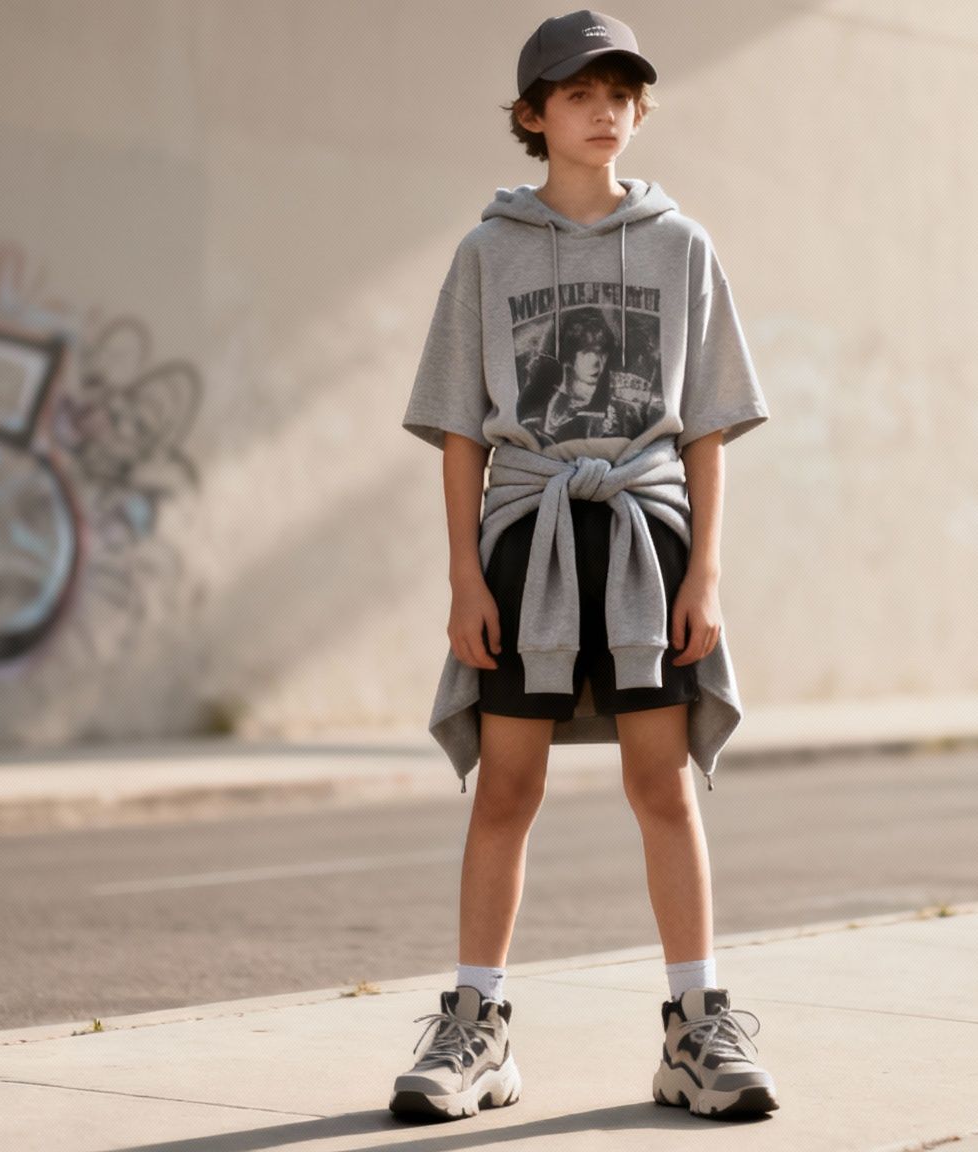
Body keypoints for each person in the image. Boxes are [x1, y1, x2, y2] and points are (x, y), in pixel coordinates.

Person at [394, 8, 775, 1124]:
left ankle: (695, 1026)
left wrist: (705, 570)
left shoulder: (679, 244)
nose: (602, 110)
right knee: (507, 786)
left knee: (661, 783)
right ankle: (475, 1029)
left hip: (645, 538)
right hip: (526, 537)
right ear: (532, 116)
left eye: (619, 93)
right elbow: (459, 427)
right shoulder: (485, 253)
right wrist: (465, 577)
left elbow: (704, 423)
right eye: (577, 94)